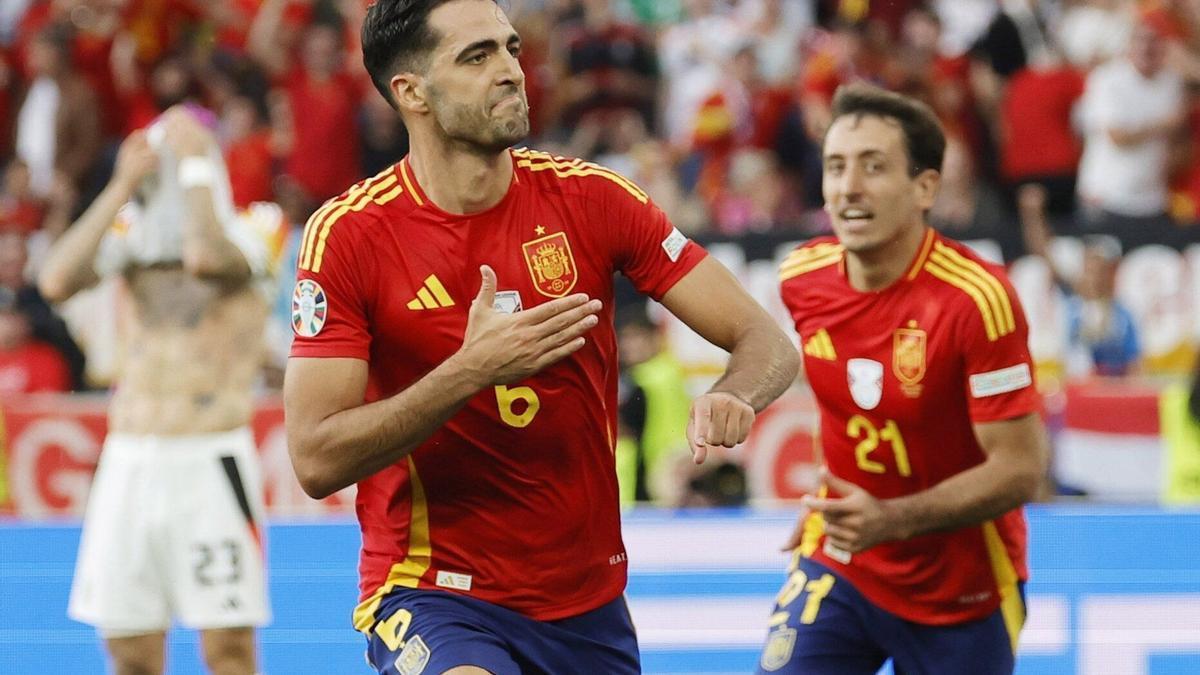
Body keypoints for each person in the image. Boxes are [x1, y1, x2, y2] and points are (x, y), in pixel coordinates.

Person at [283, 1, 799, 673]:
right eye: (477, 57)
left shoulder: (594, 201)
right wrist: (469, 370)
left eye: (511, 48)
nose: (510, 71)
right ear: (412, 92)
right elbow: (316, 456)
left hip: (585, 602)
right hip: (434, 590)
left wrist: (737, 391)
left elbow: (767, 341)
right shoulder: (350, 235)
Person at [760, 84, 1048, 674]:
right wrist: (832, 490)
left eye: (874, 166)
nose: (849, 188)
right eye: (836, 167)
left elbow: (1020, 469)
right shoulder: (801, 275)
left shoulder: (978, 301)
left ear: (926, 187)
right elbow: (850, 401)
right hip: (842, 558)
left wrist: (891, 519)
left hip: (961, 589)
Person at [38, 106, 282, 675]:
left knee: (228, 649)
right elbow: (55, 279)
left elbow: (203, 257)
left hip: (211, 455)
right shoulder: (132, 238)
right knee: (129, 648)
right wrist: (120, 184)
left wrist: (196, 163)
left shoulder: (256, 228)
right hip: (130, 459)